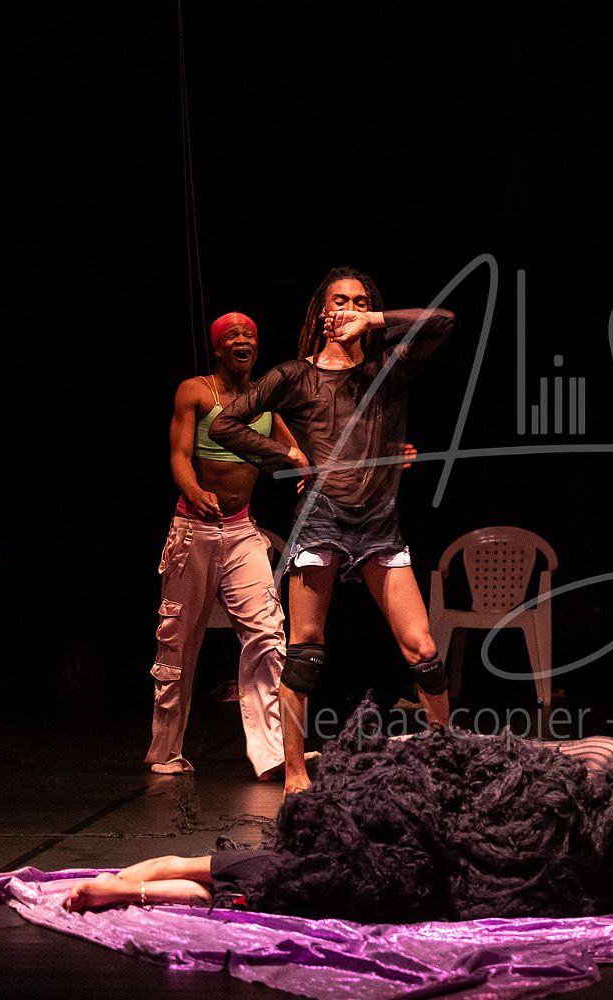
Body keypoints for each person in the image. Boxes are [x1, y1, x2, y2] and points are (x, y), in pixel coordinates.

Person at [63, 725, 613, 921]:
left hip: (447, 884)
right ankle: (134, 883)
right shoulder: (592, 772)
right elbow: (493, 756)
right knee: (295, 869)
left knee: (300, 888)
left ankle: (128, 891)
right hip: (445, 835)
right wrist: (399, 751)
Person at [210, 268, 454, 795]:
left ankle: (446, 761)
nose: (350, 309)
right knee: (306, 651)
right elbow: (224, 424)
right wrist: (286, 456)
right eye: (340, 301)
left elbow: (442, 321)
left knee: (423, 650)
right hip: (321, 519)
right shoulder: (295, 376)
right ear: (322, 314)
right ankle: (295, 772)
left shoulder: (387, 370)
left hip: (379, 524)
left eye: (360, 302)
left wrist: (375, 320)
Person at [145, 311, 296, 781]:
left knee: (268, 636)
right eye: (232, 335)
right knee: (177, 641)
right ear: (218, 347)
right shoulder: (195, 391)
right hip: (194, 530)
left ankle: (272, 754)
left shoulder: (267, 402)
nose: (242, 339)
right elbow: (179, 455)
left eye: (249, 333)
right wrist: (194, 490)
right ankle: (165, 751)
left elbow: (299, 454)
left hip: (242, 531)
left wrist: (314, 470)